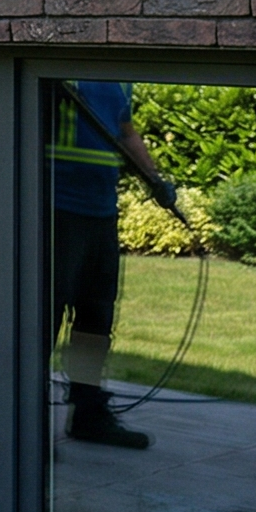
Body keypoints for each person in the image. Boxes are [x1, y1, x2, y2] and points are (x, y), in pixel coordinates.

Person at [49, 80, 170, 450]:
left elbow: (125, 130)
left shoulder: (117, 77)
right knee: (44, 316)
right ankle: (24, 422)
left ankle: (87, 411)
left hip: (101, 211)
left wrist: (154, 179)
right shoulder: (61, 72)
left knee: (95, 319)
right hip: (56, 208)